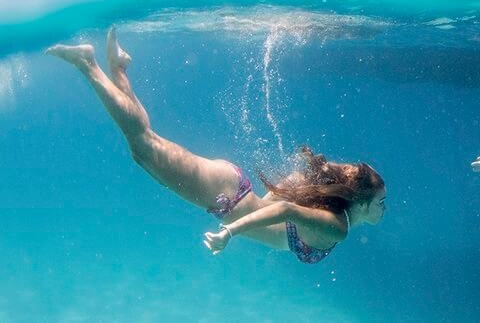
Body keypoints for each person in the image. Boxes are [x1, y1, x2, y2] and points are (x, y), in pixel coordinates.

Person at [47, 29, 387, 262]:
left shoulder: (329, 209)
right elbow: (284, 210)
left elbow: (281, 199)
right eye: (381, 201)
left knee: (145, 151)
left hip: (232, 191)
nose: (385, 208)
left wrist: (249, 212)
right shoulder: (337, 228)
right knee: (144, 146)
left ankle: (119, 68)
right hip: (225, 198)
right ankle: (88, 64)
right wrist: (230, 232)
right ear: (361, 200)